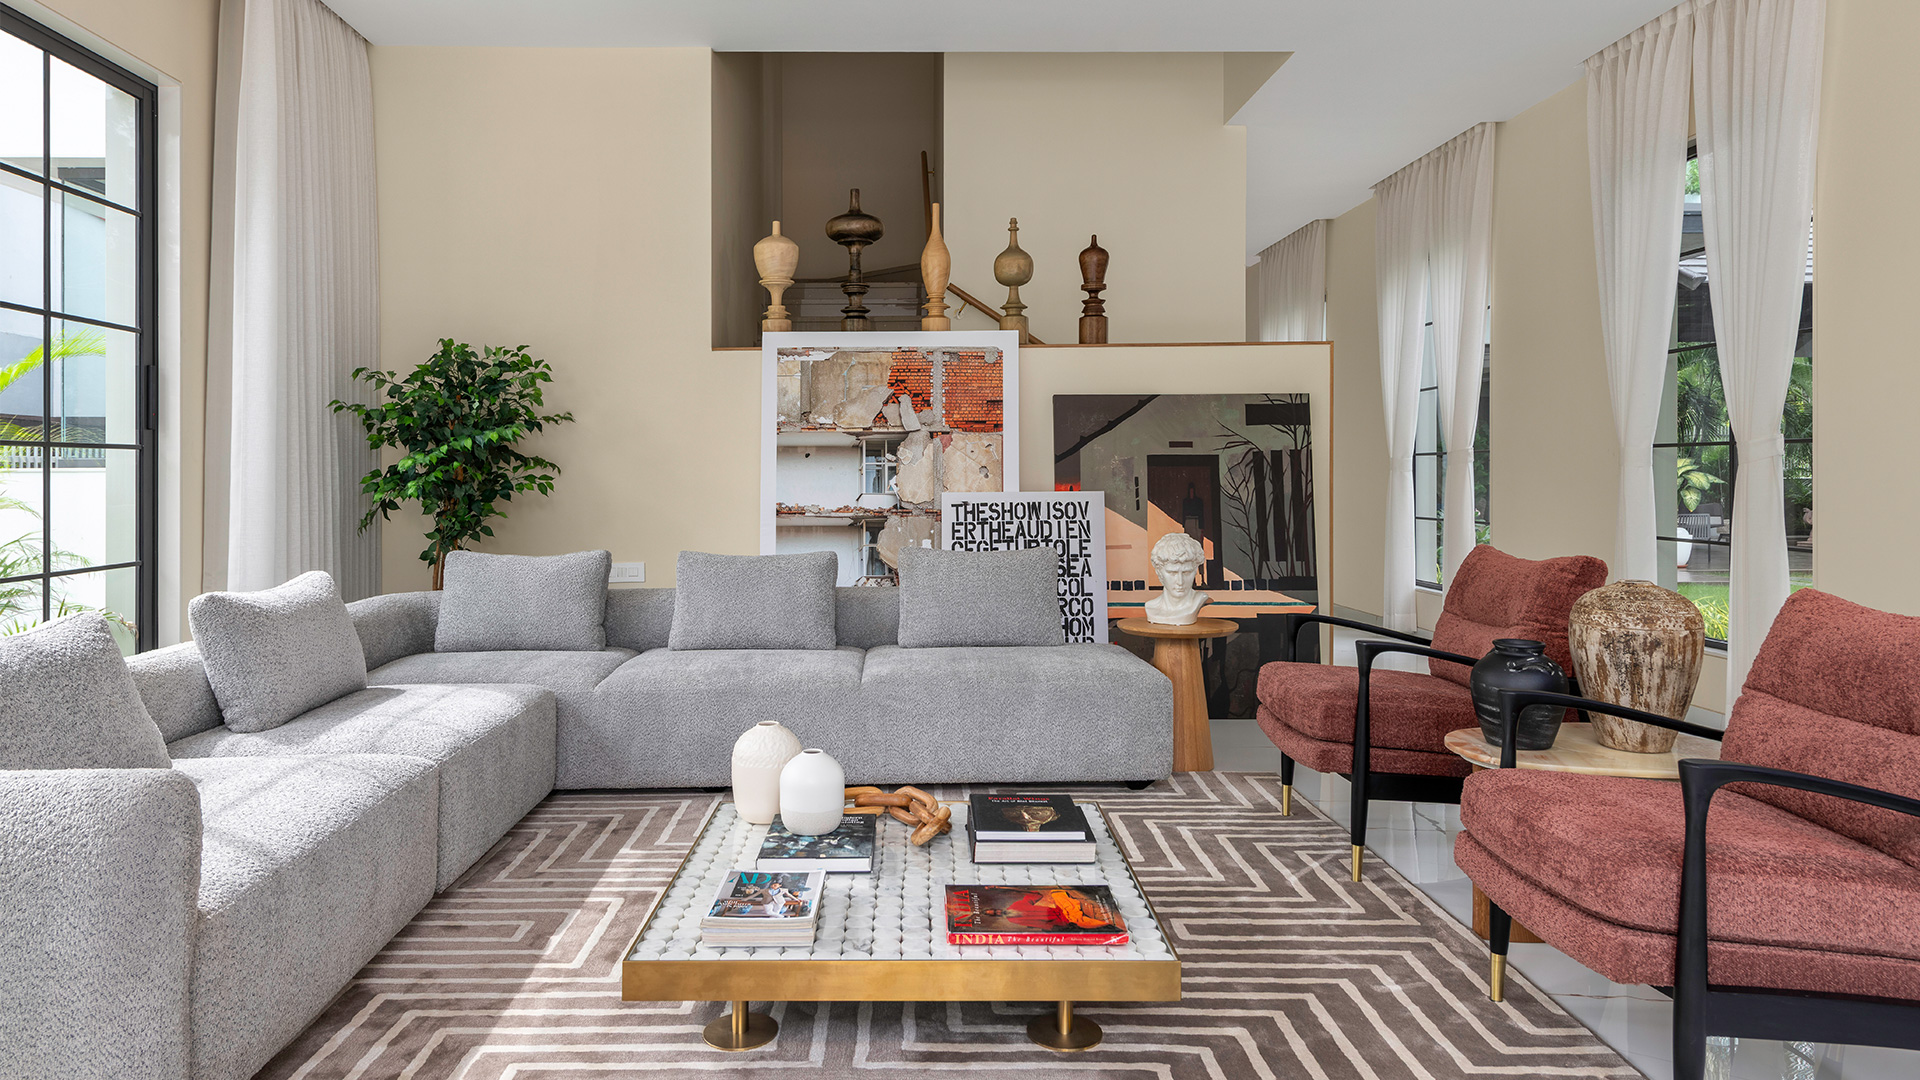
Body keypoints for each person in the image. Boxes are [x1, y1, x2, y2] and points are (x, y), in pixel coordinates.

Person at [1144, 531, 1211, 625]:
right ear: (1159, 572)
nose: (1180, 581)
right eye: (1172, 573)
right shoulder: (1150, 607)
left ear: (1195, 570)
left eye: (1186, 572)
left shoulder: (1199, 599)